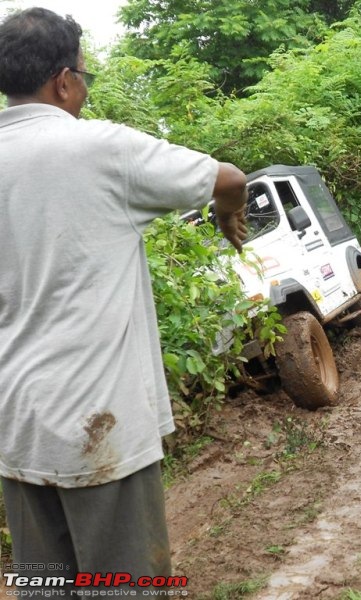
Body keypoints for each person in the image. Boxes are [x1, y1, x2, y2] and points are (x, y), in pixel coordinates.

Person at [0, 7, 248, 595]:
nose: (84, 90)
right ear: (64, 80)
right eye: (85, 77)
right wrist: (226, 212)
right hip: (99, 429)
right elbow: (231, 178)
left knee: (43, 587)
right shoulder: (101, 148)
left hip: (15, 425)